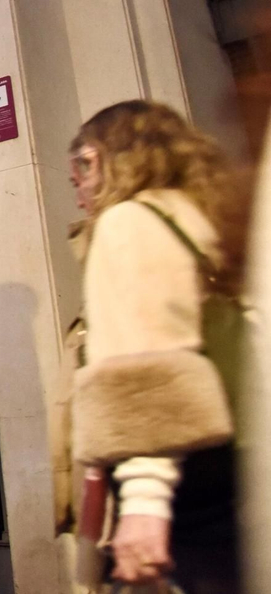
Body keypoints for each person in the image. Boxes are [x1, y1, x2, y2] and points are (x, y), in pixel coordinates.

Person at [67, 100, 247, 593]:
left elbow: (147, 366)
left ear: (95, 158)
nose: (79, 194)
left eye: (76, 175)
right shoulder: (209, 223)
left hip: (179, 476)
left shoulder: (128, 223)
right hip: (238, 456)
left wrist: (145, 501)